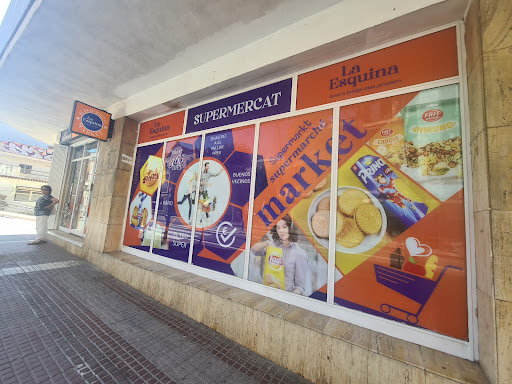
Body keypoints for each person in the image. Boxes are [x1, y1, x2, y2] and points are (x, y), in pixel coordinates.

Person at [251, 215, 308, 295]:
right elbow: (254, 250)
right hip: (267, 292)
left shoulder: (300, 254)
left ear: (290, 228)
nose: (281, 230)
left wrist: (288, 298)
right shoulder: (274, 246)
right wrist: (267, 243)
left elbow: (300, 287)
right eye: (278, 228)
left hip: (285, 297)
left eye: (284, 227)